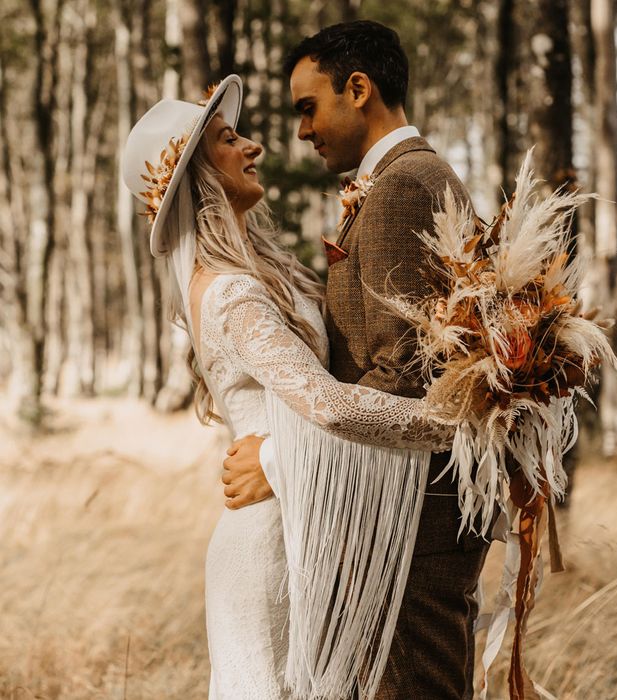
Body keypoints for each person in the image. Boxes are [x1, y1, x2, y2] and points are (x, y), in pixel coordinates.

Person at [121, 75, 456, 699]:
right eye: (228, 139)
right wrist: (460, 419)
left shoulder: (269, 271)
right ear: (198, 176)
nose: (253, 147)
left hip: (310, 520)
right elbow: (324, 404)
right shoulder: (229, 292)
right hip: (270, 544)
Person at [225, 21, 491, 700]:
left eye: (307, 108)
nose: (302, 131)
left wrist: (281, 461)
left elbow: (399, 375)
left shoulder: (404, 187)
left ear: (359, 89)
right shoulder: (403, 180)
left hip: (418, 513)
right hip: (403, 505)